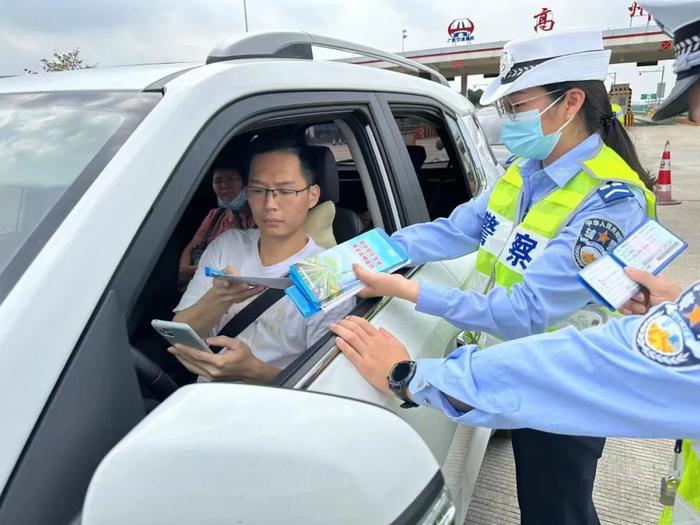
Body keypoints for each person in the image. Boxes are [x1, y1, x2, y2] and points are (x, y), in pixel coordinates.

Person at [332, 3, 700, 522]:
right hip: (510, 362)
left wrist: (404, 291)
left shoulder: (609, 197)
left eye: (517, 106)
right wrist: (361, 255)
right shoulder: (523, 170)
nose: (507, 120)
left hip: (564, 376)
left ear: (570, 103)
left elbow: (529, 311)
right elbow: (453, 231)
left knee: (555, 508)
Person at [170, 134, 351, 384]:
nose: (269, 204)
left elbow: (325, 383)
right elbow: (181, 332)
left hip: (275, 411)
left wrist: (253, 371)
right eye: (258, 190)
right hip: (203, 398)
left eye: (285, 191)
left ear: (312, 195)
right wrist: (220, 298)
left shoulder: (328, 274)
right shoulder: (226, 245)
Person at [178, 155, 255, 287]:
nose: (224, 185)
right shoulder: (214, 216)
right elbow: (192, 247)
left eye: (231, 179)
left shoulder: (257, 219)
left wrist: (199, 270)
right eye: (218, 181)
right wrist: (184, 269)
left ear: (245, 183)